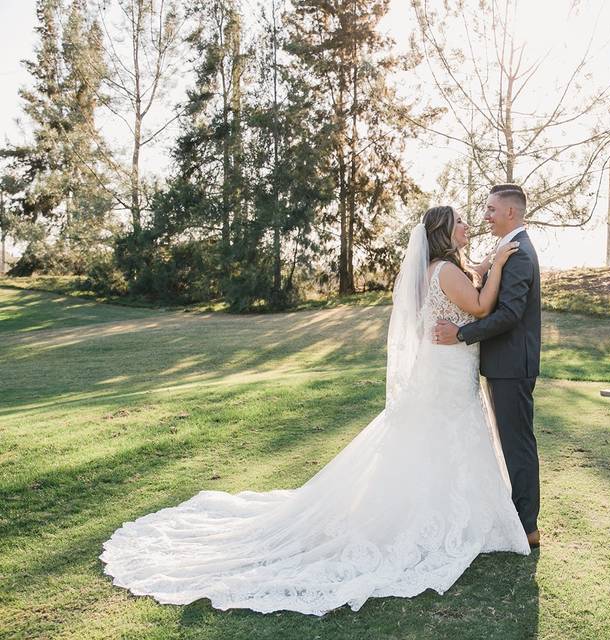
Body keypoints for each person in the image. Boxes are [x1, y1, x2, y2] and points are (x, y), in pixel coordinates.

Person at [99, 205, 529, 617]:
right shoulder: (447, 270)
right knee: (444, 436)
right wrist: (496, 264)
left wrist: (487, 265)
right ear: (442, 232)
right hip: (447, 370)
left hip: (443, 366)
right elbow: (479, 307)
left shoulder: (434, 270)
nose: (467, 226)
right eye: (459, 223)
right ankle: (439, 516)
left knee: (433, 440)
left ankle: (448, 512)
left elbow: (467, 300)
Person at [433, 183, 542, 548]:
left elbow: (509, 314)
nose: (485, 216)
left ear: (511, 212)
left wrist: (462, 334)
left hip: (512, 364)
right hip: (502, 364)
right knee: (512, 442)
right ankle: (517, 517)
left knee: (517, 444)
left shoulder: (520, 254)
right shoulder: (506, 251)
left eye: (491, 210)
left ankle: (527, 526)